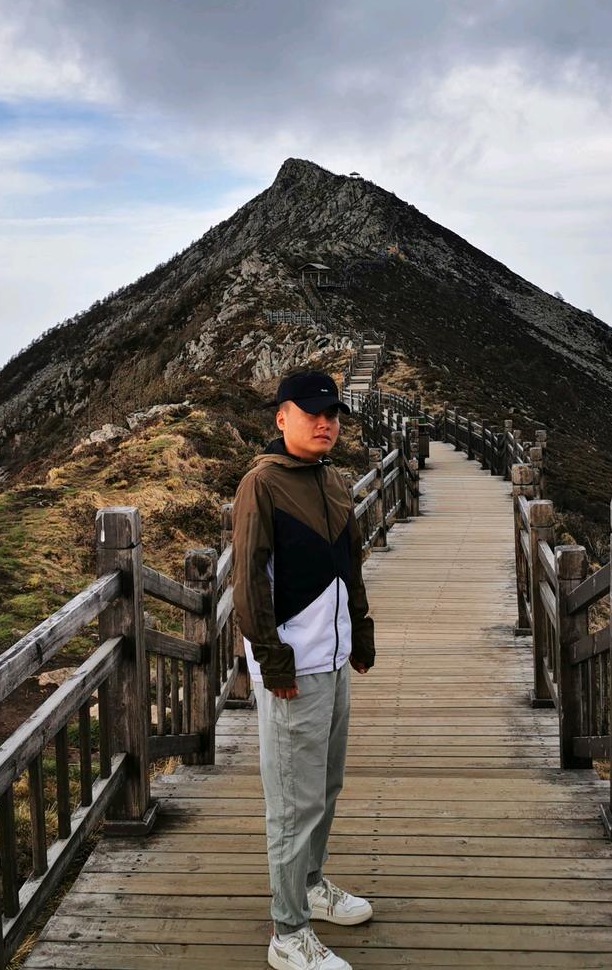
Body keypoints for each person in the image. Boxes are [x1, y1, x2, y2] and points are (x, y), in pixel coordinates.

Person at [232, 369, 376, 970]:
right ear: (281, 417)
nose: (326, 422)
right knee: (293, 804)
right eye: (312, 412)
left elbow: (351, 566)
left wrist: (361, 634)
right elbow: (247, 586)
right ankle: (288, 932)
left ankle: (311, 887)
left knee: (325, 789)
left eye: (333, 413)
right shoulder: (261, 486)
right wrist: (273, 661)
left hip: (334, 660)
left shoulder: (334, 480)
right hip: (293, 668)